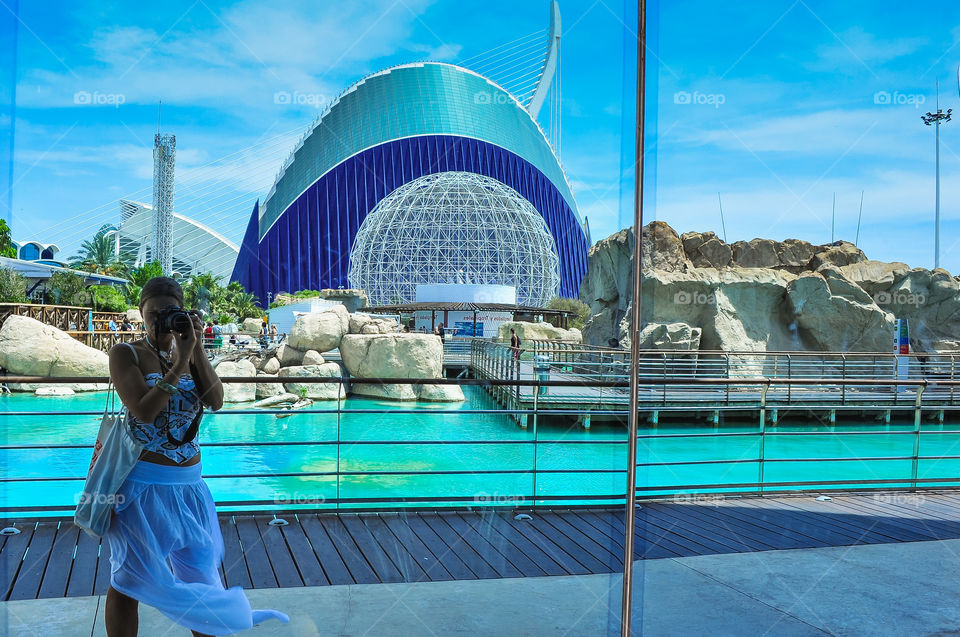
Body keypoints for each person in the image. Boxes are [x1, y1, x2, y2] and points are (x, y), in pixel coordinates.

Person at [104, 277, 289, 636]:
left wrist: (196, 349)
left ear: (183, 313)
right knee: (128, 579)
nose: (160, 321)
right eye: (153, 314)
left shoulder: (190, 351)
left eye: (169, 313)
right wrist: (179, 363)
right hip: (141, 488)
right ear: (141, 314)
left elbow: (216, 401)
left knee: (201, 577)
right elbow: (144, 411)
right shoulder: (125, 354)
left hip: (189, 487)